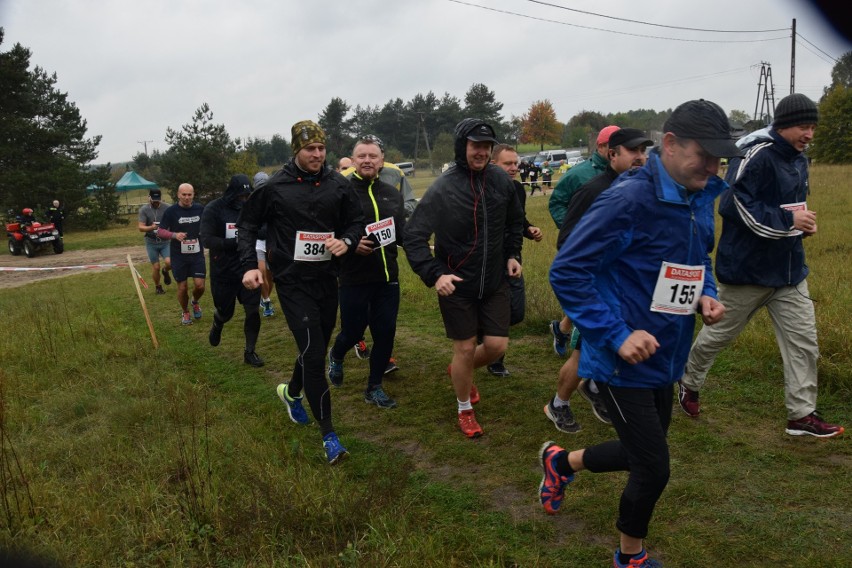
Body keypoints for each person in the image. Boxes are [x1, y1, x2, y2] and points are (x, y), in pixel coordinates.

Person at [540, 99, 737, 568]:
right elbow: (567, 272)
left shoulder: (698, 195)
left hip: (667, 351)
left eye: (719, 159)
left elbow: (696, 260)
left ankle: (560, 463)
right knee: (653, 465)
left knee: (639, 452)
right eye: (703, 155)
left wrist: (706, 292)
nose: (712, 168)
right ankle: (630, 556)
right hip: (620, 357)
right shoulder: (629, 199)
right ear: (669, 145)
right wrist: (617, 334)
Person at [678, 93, 844, 438]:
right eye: (803, 126)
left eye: (813, 126)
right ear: (783, 124)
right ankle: (688, 382)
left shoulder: (800, 158)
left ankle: (801, 415)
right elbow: (734, 205)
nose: (809, 133)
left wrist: (802, 225)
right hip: (747, 271)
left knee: (804, 342)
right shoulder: (756, 152)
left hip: (789, 273)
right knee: (718, 336)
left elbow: (791, 206)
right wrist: (789, 223)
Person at [237, 120, 365, 465]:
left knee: (317, 347)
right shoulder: (274, 187)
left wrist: (348, 241)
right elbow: (247, 224)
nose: (318, 155)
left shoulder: (338, 183)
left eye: (322, 149)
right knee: (312, 354)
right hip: (292, 282)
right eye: (311, 149)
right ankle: (329, 436)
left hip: (327, 280)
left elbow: (357, 221)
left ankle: (292, 394)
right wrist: (250, 264)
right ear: (297, 150)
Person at [405, 119, 524, 439]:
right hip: (456, 284)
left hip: (495, 281)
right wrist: (435, 275)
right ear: (463, 147)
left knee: (497, 346)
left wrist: (513, 254)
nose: (482, 152)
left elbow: (515, 222)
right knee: (466, 348)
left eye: (487, 146)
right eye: (476, 146)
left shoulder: (501, 181)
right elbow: (414, 237)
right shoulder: (444, 187)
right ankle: (464, 408)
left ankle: (461, 370)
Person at [545, 128, 654, 433]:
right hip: (598, 289)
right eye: (633, 151)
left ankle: (595, 388)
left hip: (629, 289)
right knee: (585, 350)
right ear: (612, 154)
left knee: (617, 348)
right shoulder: (594, 190)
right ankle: (559, 404)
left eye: (643, 152)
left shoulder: (643, 189)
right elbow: (567, 242)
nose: (640, 158)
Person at [327, 137, 406, 409]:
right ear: (353, 161)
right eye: (361, 156)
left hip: (387, 278)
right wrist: (350, 245)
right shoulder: (341, 192)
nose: (368, 160)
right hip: (353, 277)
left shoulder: (392, 194)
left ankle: (374, 387)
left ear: (382, 161)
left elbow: (402, 233)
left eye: (373, 156)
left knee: (385, 333)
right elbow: (328, 232)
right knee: (352, 331)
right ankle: (336, 356)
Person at [547, 125, 619, 357]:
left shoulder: (625, 173)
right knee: (588, 293)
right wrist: (575, 232)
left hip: (612, 248)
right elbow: (556, 203)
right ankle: (583, 352)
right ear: (600, 146)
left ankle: (563, 328)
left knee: (595, 293)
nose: (618, 151)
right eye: (613, 147)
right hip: (581, 249)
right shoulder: (578, 175)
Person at [486, 143, 542, 377]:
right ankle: (495, 359)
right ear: (492, 165)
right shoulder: (481, 189)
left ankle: (487, 340)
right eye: (507, 163)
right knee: (494, 309)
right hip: (486, 262)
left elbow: (517, 219)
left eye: (515, 163)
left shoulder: (517, 189)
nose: (514, 168)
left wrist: (529, 229)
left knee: (516, 312)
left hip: (512, 258)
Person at [200, 174, 264, 367]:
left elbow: (263, 229)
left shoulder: (252, 208)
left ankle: (250, 351)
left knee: (253, 311)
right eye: (240, 196)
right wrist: (236, 241)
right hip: (224, 270)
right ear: (232, 194)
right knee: (226, 313)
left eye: (247, 196)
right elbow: (207, 239)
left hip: (248, 267)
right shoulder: (214, 209)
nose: (244, 200)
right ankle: (218, 322)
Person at [157, 183, 206, 325]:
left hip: (197, 253)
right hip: (179, 255)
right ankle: (185, 311)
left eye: (189, 194)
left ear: (193, 195)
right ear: (178, 195)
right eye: (183, 194)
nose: (186, 197)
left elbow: (208, 224)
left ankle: (195, 301)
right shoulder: (171, 211)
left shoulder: (200, 209)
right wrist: (174, 235)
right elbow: (160, 231)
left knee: (200, 286)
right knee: (182, 287)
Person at [137, 189, 172, 295]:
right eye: (154, 200)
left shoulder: (168, 207)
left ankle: (165, 271)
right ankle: (158, 286)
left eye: (158, 200)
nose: (156, 202)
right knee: (156, 267)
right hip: (151, 241)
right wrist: (151, 227)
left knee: (169, 262)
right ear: (149, 198)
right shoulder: (144, 209)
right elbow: (140, 227)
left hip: (165, 241)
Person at [252, 171, 275, 317]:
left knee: (271, 276)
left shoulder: (275, 200)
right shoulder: (251, 203)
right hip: (259, 242)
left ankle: (265, 296)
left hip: (272, 242)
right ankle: (266, 301)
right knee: (261, 272)